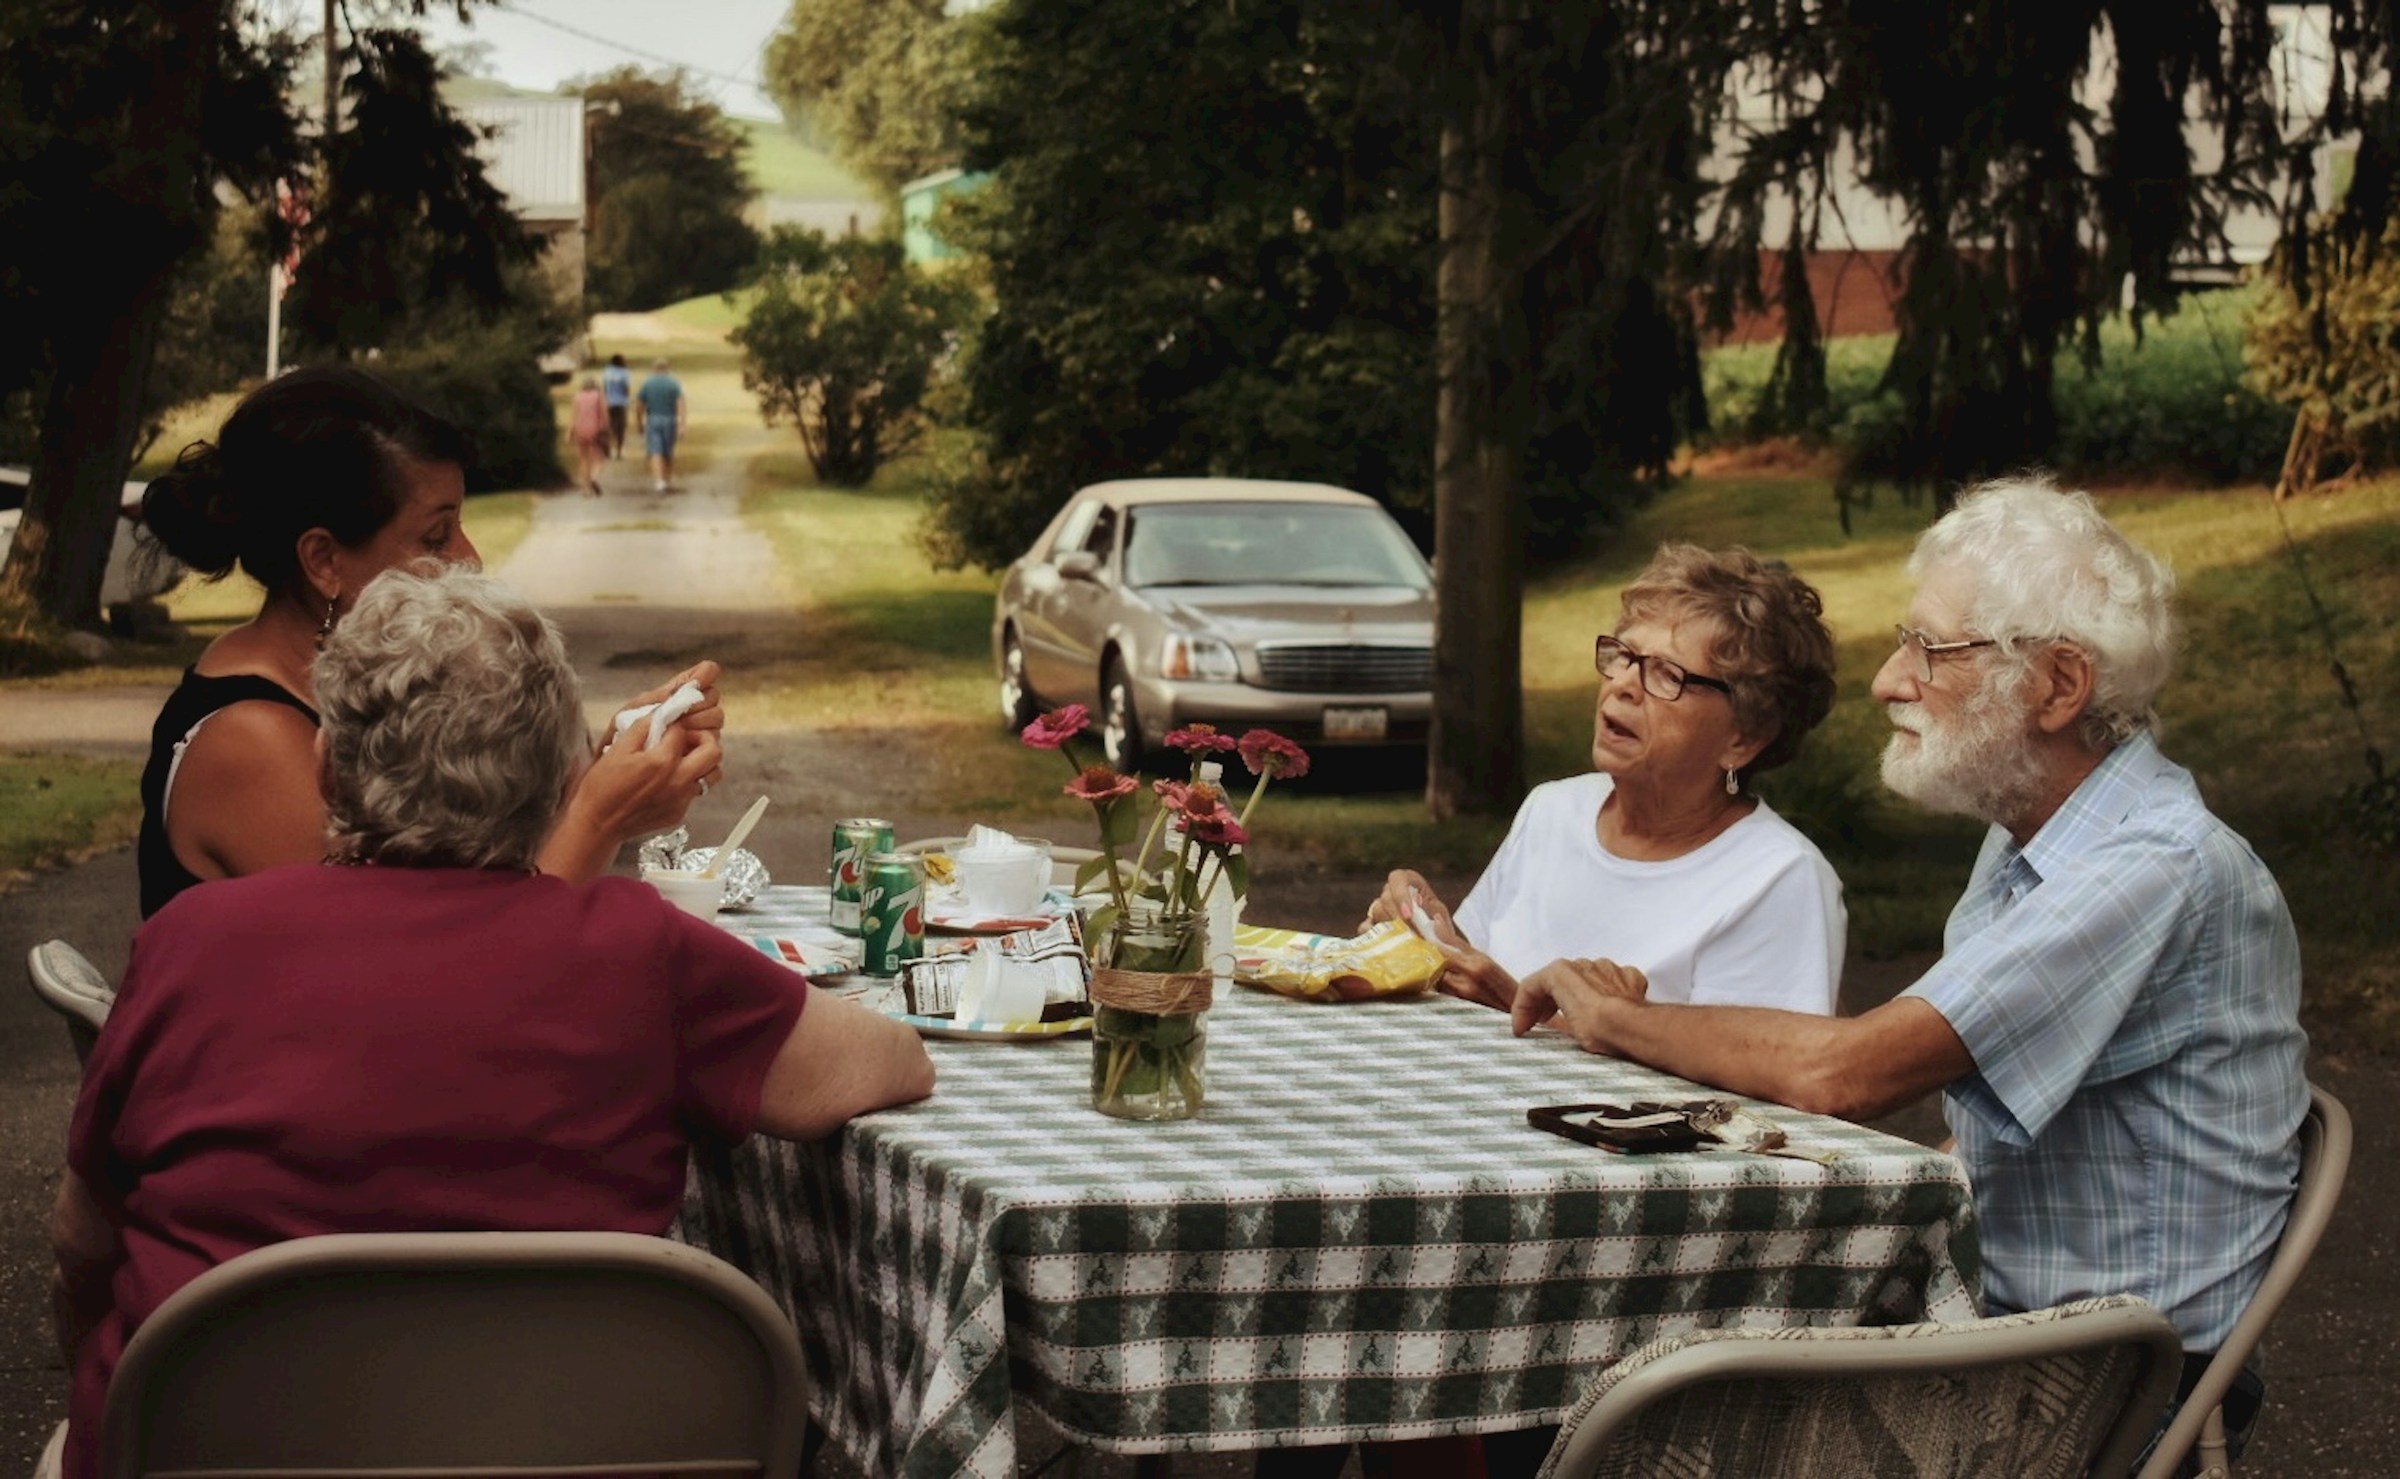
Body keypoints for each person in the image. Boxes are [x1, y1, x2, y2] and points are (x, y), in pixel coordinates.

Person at [47, 564, 936, 1479]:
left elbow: (85, 1240)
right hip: (558, 1451)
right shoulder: (643, 952)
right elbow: (888, 1063)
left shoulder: (190, 941)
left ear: (325, 765)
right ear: (563, 777)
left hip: (209, 1451)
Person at [1510, 479, 2307, 1458]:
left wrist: (1614, 1016)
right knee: (1605, 1373)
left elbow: (1846, 1072)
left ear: (2059, 687)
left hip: (2096, 1384)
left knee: (1628, 1416)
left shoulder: (2152, 869)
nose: (1889, 679)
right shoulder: (2039, 836)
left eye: (1931, 649)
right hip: (2000, 1324)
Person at [134, 365, 724, 919]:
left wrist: (600, 777)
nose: (470, 558)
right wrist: (599, 820)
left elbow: (461, 913)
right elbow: (423, 983)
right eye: (436, 537)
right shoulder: (252, 738)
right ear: (324, 560)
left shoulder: (356, 698)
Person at [1369, 544, 1845, 1016]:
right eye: (1623, 655)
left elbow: (1756, 1077)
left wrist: (1511, 1003)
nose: (1622, 684)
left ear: (1745, 737)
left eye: (1666, 674)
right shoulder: (1553, 810)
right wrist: (1429, 931)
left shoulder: (1780, 877)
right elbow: (1473, 967)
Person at [636, 356, 686, 493]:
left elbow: (640, 405)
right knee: (668, 451)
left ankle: (659, 481)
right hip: (670, 419)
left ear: (654, 369)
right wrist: (682, 424)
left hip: (653, 419)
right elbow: (680, 404)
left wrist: (639, 421)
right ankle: (667, 479)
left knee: (655, 451)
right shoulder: (674, 384)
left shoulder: (647, 384)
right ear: (668, 368)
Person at [570, 374, 609, 496]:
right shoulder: (599, 396)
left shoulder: (577, 397)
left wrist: (569, 433)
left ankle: (585, 489)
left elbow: (573, 417)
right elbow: (604, 415)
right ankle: (594, 477)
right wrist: (606, 430)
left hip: (580, 429)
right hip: (595, 430)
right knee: (599, 458)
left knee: (583, 460)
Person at [601, 351, 632, 458]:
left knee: (611, 426)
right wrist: (628, 398)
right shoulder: (624, 372)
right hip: (621, 402)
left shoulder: (607, 372)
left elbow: (604, 388)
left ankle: (611, 449)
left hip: (609, 402)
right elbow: (627, 388)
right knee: (621, 427)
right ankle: (620, 450)